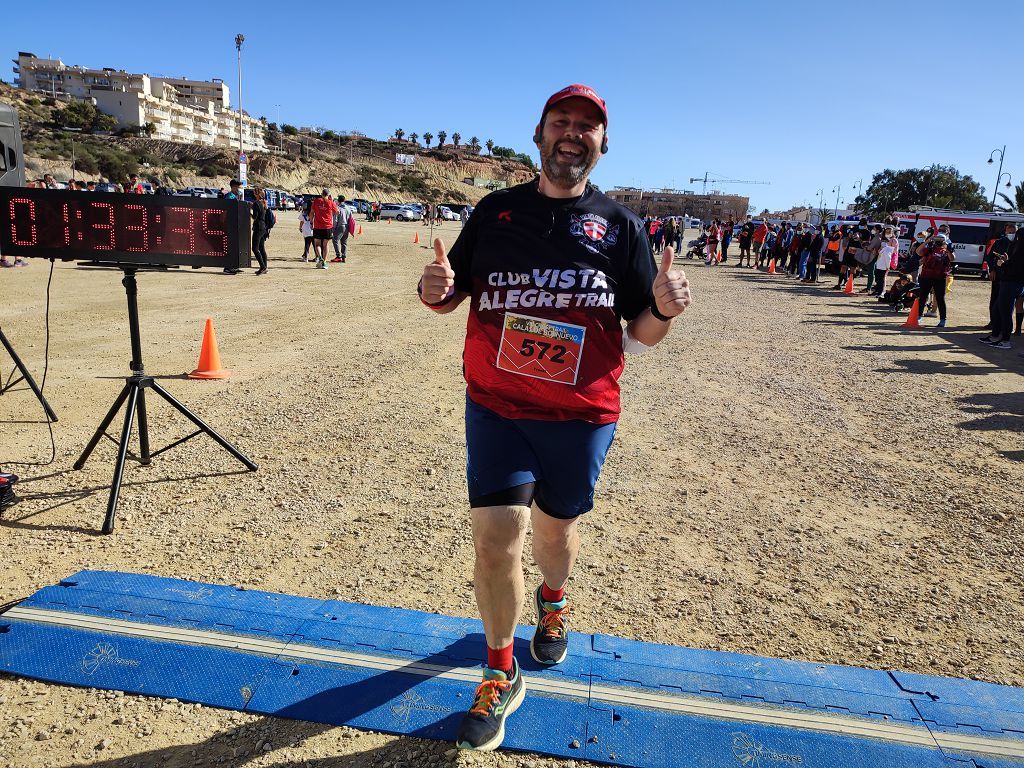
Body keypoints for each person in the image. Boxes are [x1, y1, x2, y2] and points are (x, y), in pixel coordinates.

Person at [417, 83, 691, 753]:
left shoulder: (621, 227)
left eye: (587, 126)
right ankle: (500, 672)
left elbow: (642, 333)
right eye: (561, 122)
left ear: (603, 144)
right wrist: (436, 291)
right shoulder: (497, 212)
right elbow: (451, 289)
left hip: (581, 415)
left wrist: (663, 308)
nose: (573, 134)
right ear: (539, 135)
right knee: (495, 535)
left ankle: (555, 601)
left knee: (554, 537)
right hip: (498, 406)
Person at [982, 225, 1024, 348]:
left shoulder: (1021, 251)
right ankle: (995, 335)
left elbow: (1014, 269)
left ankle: (1005, 340)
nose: (1014, 237)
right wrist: (1004, 261)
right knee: (997, 309)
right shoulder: (1015, 248)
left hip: (1012, 284)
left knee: (1005, 312)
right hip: (1007, 282)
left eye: (1016, 235)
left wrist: (1003, 263)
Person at [915, 234, 954, 327]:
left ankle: (943, 319)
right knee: (922, 297)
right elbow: (918, 252)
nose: (938, 242)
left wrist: (948, 249)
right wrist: (927, 241)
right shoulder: (930, 249)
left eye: (940, 240)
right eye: (937, 240)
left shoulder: (947, 250)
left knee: (940, 298)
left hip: (940, 277)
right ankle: (919, 316)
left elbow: (952, 259)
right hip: (926, 276)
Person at [984, 224, 1016, 332]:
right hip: (998, 275)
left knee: (1008, 302)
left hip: (1011, 277)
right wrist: (992, 269)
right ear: (1005, 232)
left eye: (1013, 232)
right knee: (994, 299)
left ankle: (1006, 325)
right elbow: (989, 257)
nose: (1012, 234)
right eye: (1010, 232)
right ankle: (993, 322)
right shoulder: (999, 242)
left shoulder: (1019, 243)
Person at [310, 189, 340, 269]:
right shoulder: (331, 202)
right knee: (326, 245)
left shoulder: (316, 201)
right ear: (329, 195)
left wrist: (311, 222)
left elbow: (312, 212)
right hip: (328, 226)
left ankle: (320, 258)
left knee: (317, 244)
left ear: (321, 194)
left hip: (317, 226)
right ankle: (324, 262)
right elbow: (338, 212)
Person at [872, 225, 898, 296]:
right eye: (886, 231)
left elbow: (894, 251)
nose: (887, 233)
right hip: (880, 260)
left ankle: (881, 291)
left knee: (882, 278)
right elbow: (880, 249)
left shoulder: (894, 240)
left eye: (889, 232)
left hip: (886, 261)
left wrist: (888, 265)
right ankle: (877, 290)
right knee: (877, 277)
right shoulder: (883, 239)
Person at [250, 187, 270, 275]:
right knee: (261, 248)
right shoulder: (264, 203)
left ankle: (262, 267)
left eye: (254, 192)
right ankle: (265, 266)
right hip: (264, 227)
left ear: (256, 194)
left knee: (255, 248)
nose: (253, 194)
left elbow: (255, 217)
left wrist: (248, 212)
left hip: (258, 227)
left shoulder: (256, 203)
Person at [331, 196, 351, 264]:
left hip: (340, 226)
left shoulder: (338, 208)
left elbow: (335, 220)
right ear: (344, 200)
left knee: (335, 240)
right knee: (344, 242)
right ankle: (343, 256)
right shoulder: (348, 208)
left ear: (338, 201)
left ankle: (338, 256)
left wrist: (333, 228)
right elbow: (351, 218)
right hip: (347, 226)